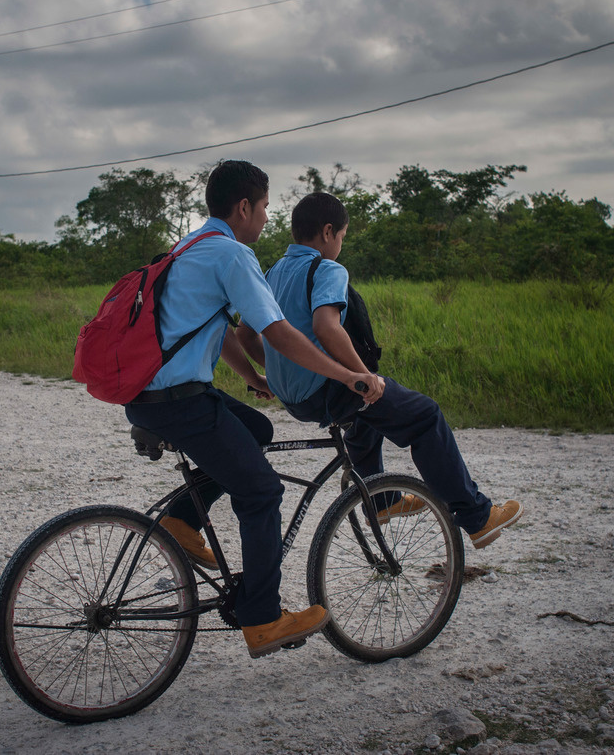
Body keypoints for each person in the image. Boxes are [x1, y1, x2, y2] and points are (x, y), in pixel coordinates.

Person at [124, 162, 385, 659]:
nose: (266, 218)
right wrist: (346, 374)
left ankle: (182, 520)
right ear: (243, 207)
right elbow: (281, 332)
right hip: (180, 401)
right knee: (263, 491)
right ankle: (263, 618)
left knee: (257, 429)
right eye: (264, 207)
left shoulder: (190, 246)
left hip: (152, 394)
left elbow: (220, 329)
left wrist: (252, 378)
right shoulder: (233, 255)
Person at [247, 191, 523, 549]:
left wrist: (281, 371)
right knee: (423, 416)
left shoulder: (273, 272)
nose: (341, 245)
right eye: (343, 237)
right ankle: (477, 517)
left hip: (293, 398)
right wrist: (363, 376)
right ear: (328, 232)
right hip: (326, 390)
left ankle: (381, 501)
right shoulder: (327, 269)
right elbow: (326, 327)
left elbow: (245, 334)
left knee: (364, 418)